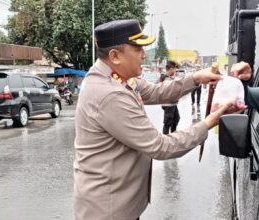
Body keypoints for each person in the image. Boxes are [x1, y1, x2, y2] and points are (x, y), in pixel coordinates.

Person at [74, 19, 245, 220]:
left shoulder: (116, 76)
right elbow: (161, 147)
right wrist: (209, 122)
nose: (144, 55)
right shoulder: (109, 94)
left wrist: (196, 78)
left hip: (118, 203)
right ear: (115, 56)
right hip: (109, 211)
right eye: (138, 49)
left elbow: (158, 92)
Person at [161, 60, 180, 134]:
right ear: (171, 69)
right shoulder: (165, 79)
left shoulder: (171, 78)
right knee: (168, 123)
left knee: (176, 119)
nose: (175, 71)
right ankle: (165, 139)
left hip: (173, 103)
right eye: (175, 69)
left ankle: (173, 135)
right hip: (168, 104)